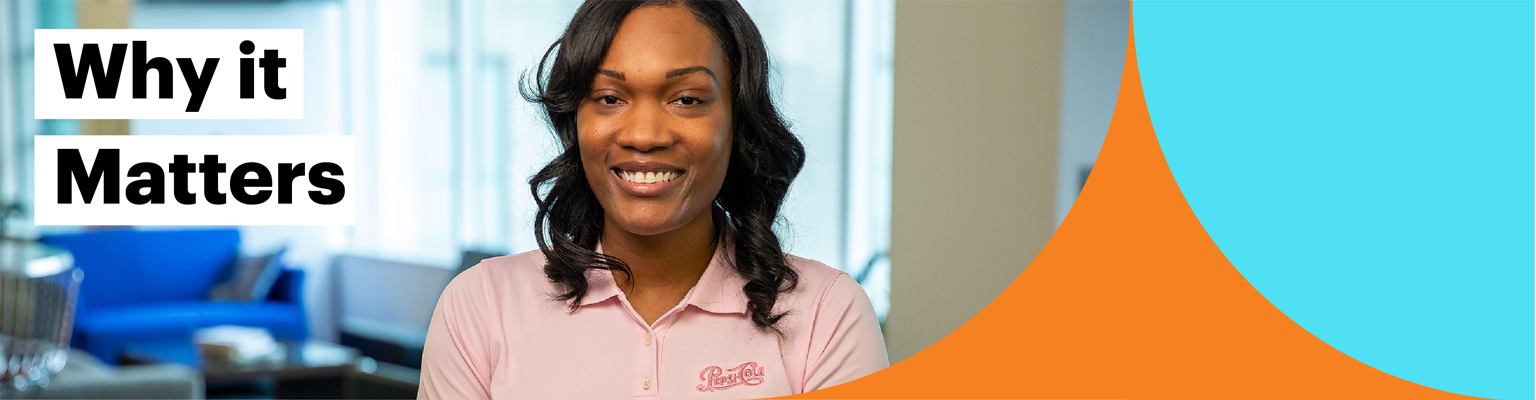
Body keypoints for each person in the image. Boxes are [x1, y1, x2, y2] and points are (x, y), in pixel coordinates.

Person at [416, 0, 889, 398]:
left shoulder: (826, 312)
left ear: (737, 121)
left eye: (686, 99)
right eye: (608, 98)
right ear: (574, 123)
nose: (643, 136)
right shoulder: (480, 306)